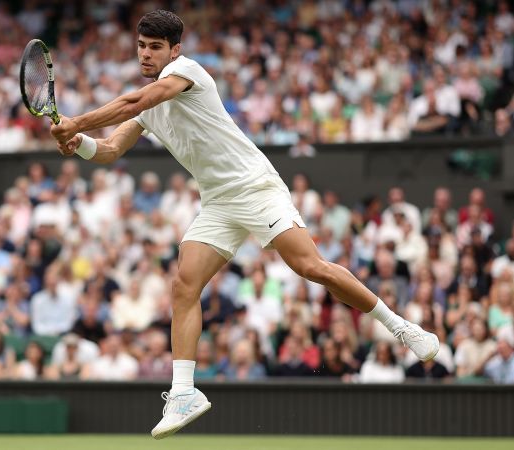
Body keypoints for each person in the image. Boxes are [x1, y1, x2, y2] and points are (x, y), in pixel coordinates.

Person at [49, 10, 439, 439]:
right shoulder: (148, 110)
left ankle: (401, 327)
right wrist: (79, 143)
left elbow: (134, 101)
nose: (145, 54)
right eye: (141, 46)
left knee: (310, 268)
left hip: (256, 188)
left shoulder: (186, 72)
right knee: (184, 284)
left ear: (174, 50)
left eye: (155, 47)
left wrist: (77, 120)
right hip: (217, 202)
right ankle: (183, 393)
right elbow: (109, 150)